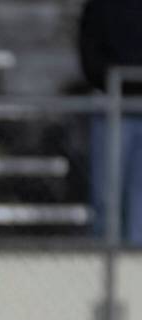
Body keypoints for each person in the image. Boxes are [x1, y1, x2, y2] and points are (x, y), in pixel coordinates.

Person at [79, 0, 142, 247]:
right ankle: (104, 272)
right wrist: (120, 80)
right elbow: (90, 58)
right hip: (111, 108)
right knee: (107, 199)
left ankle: (135, 275)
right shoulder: (101, 6)